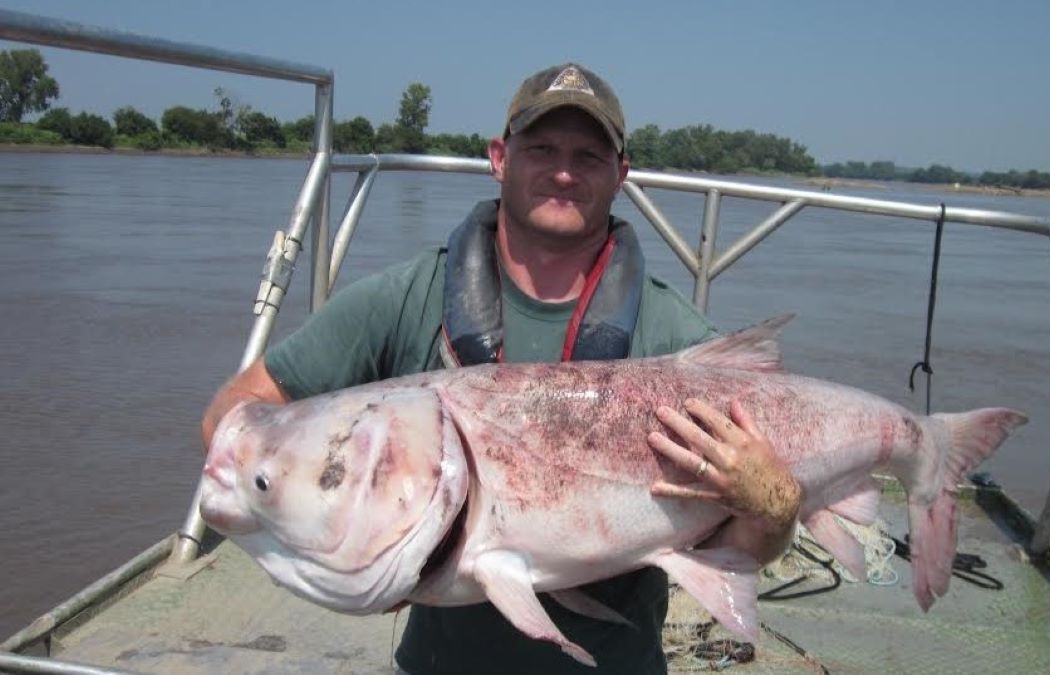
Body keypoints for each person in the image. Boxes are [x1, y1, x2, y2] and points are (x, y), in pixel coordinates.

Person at [200, 62, 801, 675]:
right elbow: (241, 407)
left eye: (588, 156)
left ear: (620, 175)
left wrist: (775, 510)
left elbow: (742, 552)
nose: (563, 172)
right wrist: (347, 549)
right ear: (499, 157)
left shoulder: (673, 333)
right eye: (541, 148)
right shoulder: (406, 297)